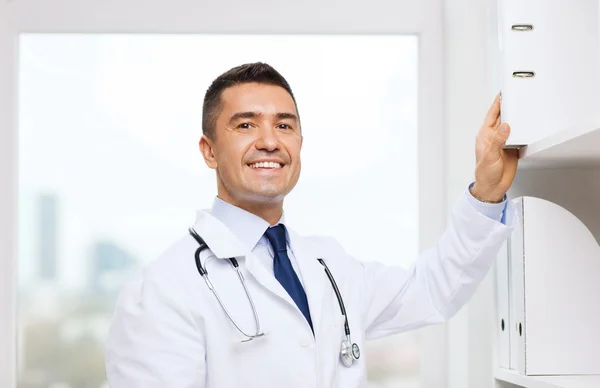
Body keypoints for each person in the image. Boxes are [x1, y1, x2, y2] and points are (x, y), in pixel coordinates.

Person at [105, 62, 519, 387]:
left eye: (284, 125)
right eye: (246, 124)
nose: (270, 141)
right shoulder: (164, 289)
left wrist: (486, 193)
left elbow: (432, 290)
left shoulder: (328, 265)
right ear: (209, 150)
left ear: (299, 145)